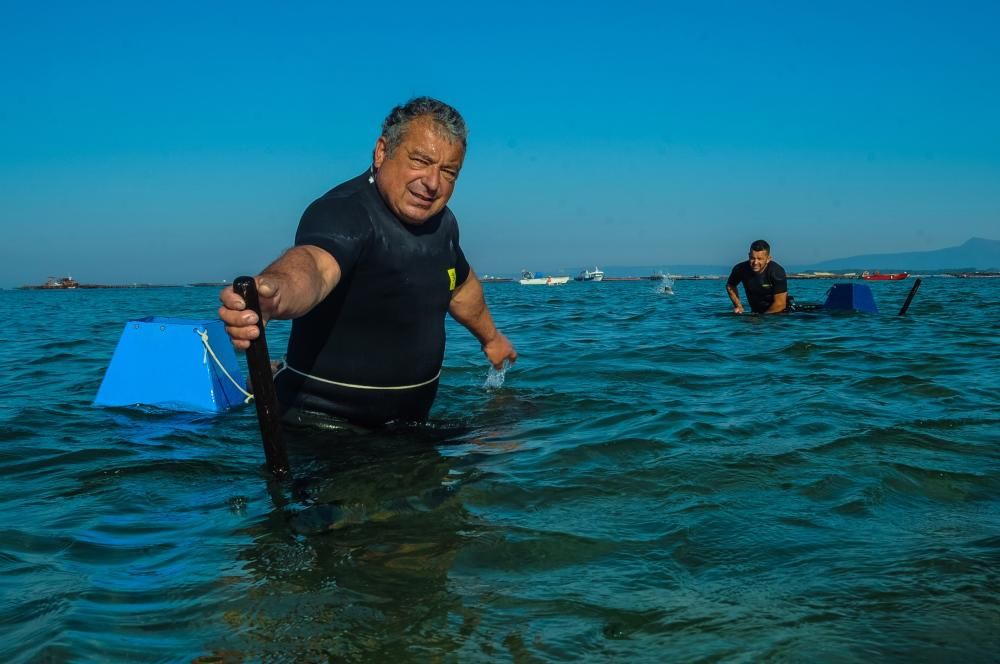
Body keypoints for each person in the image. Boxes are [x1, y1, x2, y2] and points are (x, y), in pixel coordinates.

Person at [218, 97, 516, 425]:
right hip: (323, 427)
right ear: (382, 151)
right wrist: (274, 295)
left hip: (408, 428)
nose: (433, 183)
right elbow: (315, 265)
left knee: (516, 431)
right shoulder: (345, 212)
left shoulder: (443, 223)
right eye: (420, 161)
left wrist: (491, 339)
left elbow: (459, 283)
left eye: (449, 172)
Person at [725, 239, 790, 314]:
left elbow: (780, 305)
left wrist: (762, 319)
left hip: (779, 314)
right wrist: (738, 306)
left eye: (760, 259)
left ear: (768, 259)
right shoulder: (740, 269)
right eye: (752, 258)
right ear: (749, 255)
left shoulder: (777, 272)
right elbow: (730, 285)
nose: (755, 262)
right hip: (756, 314)